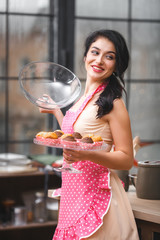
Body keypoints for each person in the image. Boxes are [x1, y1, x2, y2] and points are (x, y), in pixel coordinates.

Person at [39, 30, 139, 240]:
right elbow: (77, 139)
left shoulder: (113, 103)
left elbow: (126, 159)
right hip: (74, 197)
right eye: (95, 52)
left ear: (116, 66)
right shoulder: (82, 100)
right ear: (85, 56)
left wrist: (85, 155)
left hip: (96, 201)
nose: (99, 60)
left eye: (109, 56)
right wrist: (57, 111)